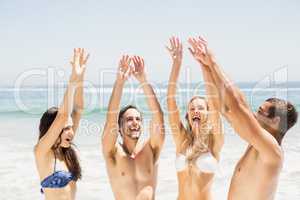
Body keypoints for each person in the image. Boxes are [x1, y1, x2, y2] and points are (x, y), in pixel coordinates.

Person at [188, 36, 298, 200]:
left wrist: (213, 62)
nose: (254, 114)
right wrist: (205, 67)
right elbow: (224, 108)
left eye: (260, 111)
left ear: (276, 121)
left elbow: (239, 106)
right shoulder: (256, 144)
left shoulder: (272, 151)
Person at [166, 36, 224, 200]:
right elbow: (170, 100)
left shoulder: (215, 141)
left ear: (208, 112)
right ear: (188, 115)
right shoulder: (181, 140)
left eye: (200, 108)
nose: (195, 111)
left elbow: (214, 101)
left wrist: (205, 66)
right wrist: (176, 65)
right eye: (191, 108)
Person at [102, 55, 165, 200]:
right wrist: (119, 83)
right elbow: (111, 118)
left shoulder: (151, 149)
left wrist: (143, 81)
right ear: (119, 128)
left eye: (138, 119)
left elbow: (158, 116)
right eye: (129, 119)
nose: (135, 122)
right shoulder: (113, 153)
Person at [34, 48, 89, 200]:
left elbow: (78, 109)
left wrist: (81, 77)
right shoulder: (42, 152)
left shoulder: (65, 152)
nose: (71, 132)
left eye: (71, 127)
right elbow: (63, 116)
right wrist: (72, 81)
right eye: (65, 128)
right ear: (51, 129)